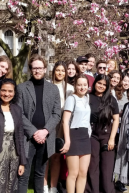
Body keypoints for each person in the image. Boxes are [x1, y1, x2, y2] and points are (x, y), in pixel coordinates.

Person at [17, 55, 61, 193]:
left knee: (40, 174)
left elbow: (56, 114)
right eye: (34, 68)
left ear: (45, 69)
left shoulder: (53, 89)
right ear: (30, 69)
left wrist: (45, 131)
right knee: (23, 174)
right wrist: (34, 132)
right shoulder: (22, 88)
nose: (37, 71)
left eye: (40, 68)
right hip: (28, 138)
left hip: (46, 139)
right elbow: (19, 113)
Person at [86, 75, 120, 193]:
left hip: (106, 136)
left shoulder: (111, 99)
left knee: (107, 167)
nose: (101, 86)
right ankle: (93, 190)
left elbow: (116, 120)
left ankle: (108, 190)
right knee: (92, 166)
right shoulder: (87, 97)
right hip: (92, 136)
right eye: (99, 83)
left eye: (104, 84)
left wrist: (112, 139)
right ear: (94, 83)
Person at [45, 61, 75, 193]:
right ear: (53, 71)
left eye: (63, 71)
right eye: (58, 70)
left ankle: (53, 186)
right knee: (46, 156)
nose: (60, 73)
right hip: (48, 123)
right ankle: (44, 186)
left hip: (61, 125)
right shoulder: (47, 85)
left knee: (56, 156)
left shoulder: (69, 88)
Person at [59, 75, 92, 193]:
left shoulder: (87, 98)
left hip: (85, 137)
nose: (82, 87)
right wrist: (68, 141)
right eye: (79, 85)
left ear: (88, 86)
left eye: (84, 85)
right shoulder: (71, 99)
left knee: (83, 172)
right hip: (74, 135)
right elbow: (65, 121)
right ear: (75, 86)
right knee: (73, 173)